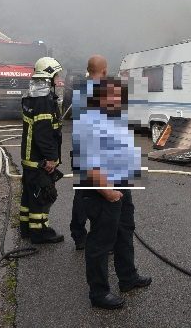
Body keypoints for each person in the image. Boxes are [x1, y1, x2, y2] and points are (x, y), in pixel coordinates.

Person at [73, 77, 150, 309]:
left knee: (125, 232)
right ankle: (98, 293)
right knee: (100, 242)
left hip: (121, 186)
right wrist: (106, 191)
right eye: (111, 95)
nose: (117, 99)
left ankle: (128, 278)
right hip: (101, 190)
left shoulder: (115, 119)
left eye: (119, 95)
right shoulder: (89, 122)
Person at [19, 56, 65, 244]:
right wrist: (51, 158)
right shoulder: (44, 101)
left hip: (29, 158)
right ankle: (39, 232)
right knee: (42, 196)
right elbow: (44, 134)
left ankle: (26, 228)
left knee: (29, 195)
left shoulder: (31, 97)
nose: (57, 79)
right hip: (40, 161)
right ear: (48, 76)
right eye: (56, 75)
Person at [69, 55, 108, 250]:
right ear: (105, 70)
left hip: (81, 153)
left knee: (83, 196)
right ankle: (94, 238)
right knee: (94, 197)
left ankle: (80, 236)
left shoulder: (80, 91)